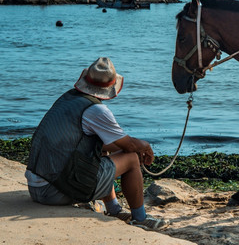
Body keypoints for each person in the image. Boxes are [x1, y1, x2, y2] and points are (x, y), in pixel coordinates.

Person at [25, 57, 168, 230]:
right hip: (55, 192)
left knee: (100, 146)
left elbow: (104, 143)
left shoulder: (69, 98)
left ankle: (114, 209)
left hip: (37, 187)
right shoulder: (97, 110)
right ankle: (140, 218)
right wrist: (145, 146)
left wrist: (131, 145)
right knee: (131, 158)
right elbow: (129, 146)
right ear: (110, 87)